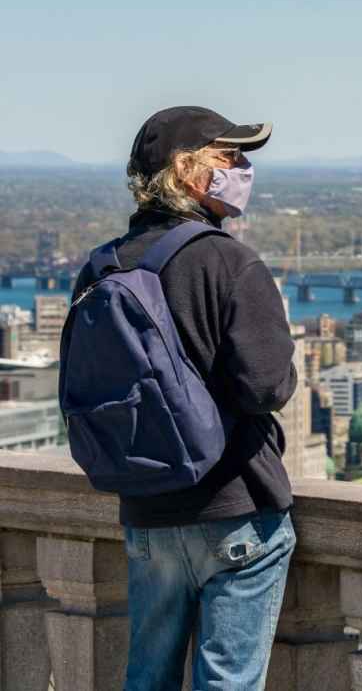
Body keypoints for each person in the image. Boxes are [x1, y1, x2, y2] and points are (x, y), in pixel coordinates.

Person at [66, 107, 299, 691]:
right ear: (188, 171)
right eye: (229, 156)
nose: (242, 168)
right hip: (235, 508)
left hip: (147, 510)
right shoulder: (230, 261)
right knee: (228, 681)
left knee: (147, 679)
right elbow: (267, 387)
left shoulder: (102, 267)